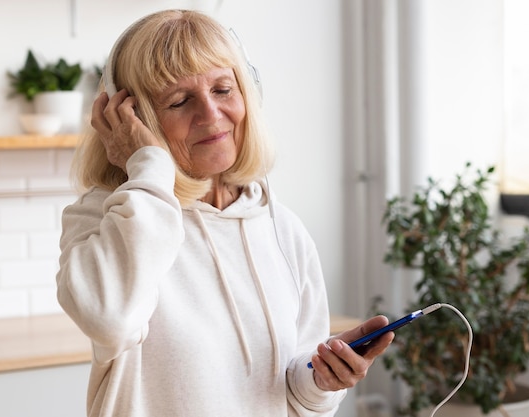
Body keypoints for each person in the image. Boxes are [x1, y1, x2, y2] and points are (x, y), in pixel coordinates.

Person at [56, 9, 393, 417]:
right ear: (131, 120)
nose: (211, 115)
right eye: (179, 101)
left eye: (222, 89)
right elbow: (111, 320)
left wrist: (322, 379)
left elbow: (293, 393)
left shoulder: (281, 227)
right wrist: (147, 167)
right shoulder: (103, 218)